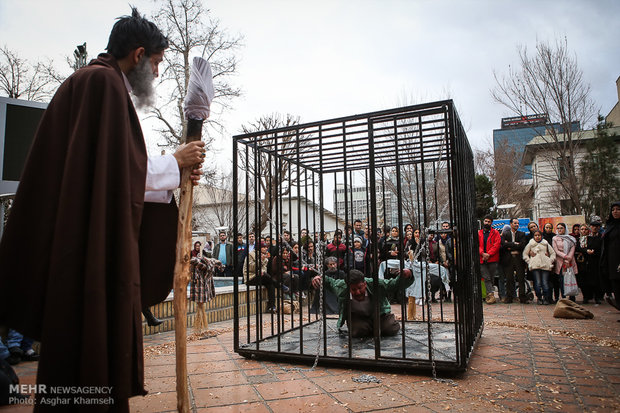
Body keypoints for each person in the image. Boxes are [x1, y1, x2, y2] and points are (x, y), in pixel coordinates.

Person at [0, 8, 208, 410]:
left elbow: (108, 180)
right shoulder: (102, 84)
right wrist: (175, 163)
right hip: (82, 256)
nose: (159, 73)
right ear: (139, 55)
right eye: (158, 63)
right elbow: (118, 172)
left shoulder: (96, 82)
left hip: (79, 248)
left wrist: (171, 174)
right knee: (86, 353)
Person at [311, 268, 413, 338]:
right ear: (348, 287)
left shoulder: (375, 284)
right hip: (358, 317)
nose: (358, 292)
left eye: (360, 288)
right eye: (353, 289)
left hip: (380, 315)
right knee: (358, 332)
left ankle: (381, 325)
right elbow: (330, 282)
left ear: (364, 283)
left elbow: (393, 285)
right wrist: (318, 278)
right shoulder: (341, 287)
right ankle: (371, 328)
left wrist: (407, 275)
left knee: (389, 329)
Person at [523, 230, 555, 305]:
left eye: (539, 235)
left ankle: (546, 298)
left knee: (545, 283)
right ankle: (539, 297)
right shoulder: (530, 244)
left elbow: (553, 253)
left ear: (541, 236)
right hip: (535, 266)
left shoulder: (546, 243)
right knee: (537, 283)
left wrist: (549, 260)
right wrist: (530, 261)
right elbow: (525, 254)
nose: (537, 237)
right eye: (536, 235)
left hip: (545, 266)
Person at [500, 218, 527, 303]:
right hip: (509, 259)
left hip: (519, 259)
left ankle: (522, 297)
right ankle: (509, 297)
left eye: (518, 223)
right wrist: (515, 244)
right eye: (515, 223)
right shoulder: (505, 234)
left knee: (521, 278)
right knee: (509, 279)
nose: (517, 225)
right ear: (511, 224)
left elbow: (522, 245)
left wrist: (510, 245)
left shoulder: (522, 234)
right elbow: (504, 245)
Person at [243, 243, 276, 313]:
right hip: (251, 277)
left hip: (261, 276)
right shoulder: (251, 255)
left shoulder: (265, 256)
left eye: (266, 247)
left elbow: (264, 268)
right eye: (263, 247)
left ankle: (271, 306)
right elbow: (251, 268)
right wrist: (260, 260)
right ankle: (280, 285)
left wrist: (262, 271)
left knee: (271, 285)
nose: (265, 249)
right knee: (271, 281)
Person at [601, 202, 620, 312]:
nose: (615, 211)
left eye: (618, 209)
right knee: (616, 287)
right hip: (611, 261)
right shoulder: (610, 226)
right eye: (613, 210)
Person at [552, 223, 578, 302]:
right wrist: (565, 257)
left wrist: (568, 258)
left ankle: (572, 297)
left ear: (565, 228)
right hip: (560, 262)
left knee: (571, 278)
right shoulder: (555, 238)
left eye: (561, 228)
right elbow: (556, 250)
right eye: (558, 228)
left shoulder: (571, 238)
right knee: (562, 280)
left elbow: (572, 249)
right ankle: (564, 298)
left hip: (570, 261)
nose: (560, 230)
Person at [478, 215, 501, 304]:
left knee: (491, 277)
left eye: (489, 221)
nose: (487, 223)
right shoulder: (479, 233)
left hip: (492, 258)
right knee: (486, 277)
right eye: (485, 221)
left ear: (491, 223)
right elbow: (477, 245)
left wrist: (489, 254)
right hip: (482, 258)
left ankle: (489, 294)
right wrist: (482, 253)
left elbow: (497, 244)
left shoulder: (495, 233)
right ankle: (491, 295)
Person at [583, 217, 603, 304]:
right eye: (593, 226)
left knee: (597, 280)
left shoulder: (601, 237)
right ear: (590, 227)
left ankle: (598, 297)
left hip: (597, 261)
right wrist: (586, 251)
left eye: (597, 226)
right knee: (586, 280)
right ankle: (587, 297)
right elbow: (581, 248)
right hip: (587, 261)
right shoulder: (586, 238)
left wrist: (595, 252)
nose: (594, 228)